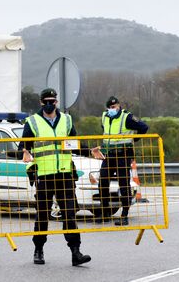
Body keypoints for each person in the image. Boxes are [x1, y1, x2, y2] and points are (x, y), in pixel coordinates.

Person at [16, 88, 103, 266]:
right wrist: (24, 153)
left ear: (56, 102)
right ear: (41, 102)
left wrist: (89, 151)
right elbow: (22, 148)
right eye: (46, 101)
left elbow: (74, 144)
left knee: (70, 215)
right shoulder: (32, 122)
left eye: (52, 101)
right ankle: (38, 250)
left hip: (64, 175)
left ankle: (76, 252)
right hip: (44, 175)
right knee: (42, 215)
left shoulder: (66, 120)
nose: (49, 104)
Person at [97, 96, 148, 226]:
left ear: (119, 106)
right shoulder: (104, 117)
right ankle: (105, 212)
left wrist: (134, 139)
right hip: (109, 155)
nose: (111, 109)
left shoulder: (127, 117)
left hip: (123, 155)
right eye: (109, 107)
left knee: (123, 185)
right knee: (102, 182)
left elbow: (144, 127)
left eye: (113, 107)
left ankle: (124, 215)